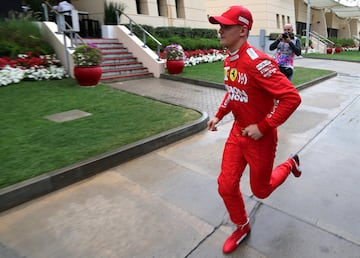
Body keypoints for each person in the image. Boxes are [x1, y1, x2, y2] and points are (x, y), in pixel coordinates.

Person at [207, 6, 302, 254]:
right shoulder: (229, 59)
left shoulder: (258, 62)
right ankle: (241, 226)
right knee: (225, 186)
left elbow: (291, 98)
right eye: (220, 25)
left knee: (261, 190)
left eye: (226, 26)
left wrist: (263, 126)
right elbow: (233, 93)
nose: (220, 31)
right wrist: (219, 114)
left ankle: (290, 164)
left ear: (243, 30)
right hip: (237, 134)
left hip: (261, 139)